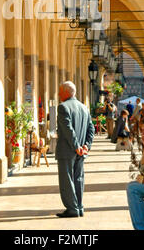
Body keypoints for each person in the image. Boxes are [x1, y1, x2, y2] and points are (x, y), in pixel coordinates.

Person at [55, 81, 95, 218]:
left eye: (60, 91)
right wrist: (86, 146)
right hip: (80, 151)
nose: (59, 94)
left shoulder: (63, 107)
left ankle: (72, 208)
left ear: (66, 92)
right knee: (78, 178)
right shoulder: (84, 107)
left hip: (68, 150)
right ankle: (79, 206)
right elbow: (91, 129)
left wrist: (77, 146)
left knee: (67, 179)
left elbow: (68, 130)